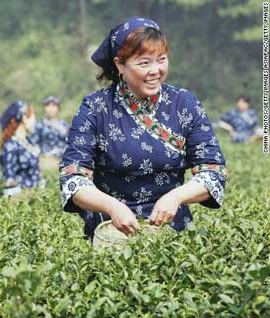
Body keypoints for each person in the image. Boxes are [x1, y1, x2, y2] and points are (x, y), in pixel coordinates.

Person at [59, 17, 228, 239]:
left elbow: (214, 171)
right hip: (110, 234)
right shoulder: (96, 107)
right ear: (120, 64)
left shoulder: (184, 103)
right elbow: (72, 179)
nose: (155, 70)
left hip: (173, 235)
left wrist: (176, 197)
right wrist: (113, 207)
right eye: (144, 63)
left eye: (161, 59)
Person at [0, 100, 45, 197]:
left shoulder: (29, 142)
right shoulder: (11, 146)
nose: (35, 121)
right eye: (33, 117)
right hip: (23, 203)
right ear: (24, 118)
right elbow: (10, 183)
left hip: (37, 200)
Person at [29, 95, 69, 172]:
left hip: (63, 162)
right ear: (44, 108)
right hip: (45, 161)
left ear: (58, 108)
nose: (51, 109)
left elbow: (69, 143)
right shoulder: (40, 124)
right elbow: (32, 143)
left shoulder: (64, 125)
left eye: (54, 106)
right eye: (48, 105)